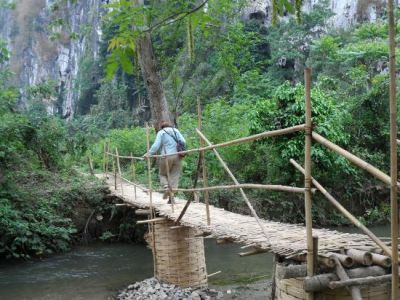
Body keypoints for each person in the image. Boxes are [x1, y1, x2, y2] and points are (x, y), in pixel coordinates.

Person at [144, 120, 186, 203]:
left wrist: (148, 153)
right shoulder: (175, 130)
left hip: (166, 156)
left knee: (162, 174)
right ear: (169, 125)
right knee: (174, 176)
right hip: (178, 156)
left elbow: (156, 145)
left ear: (162, 127)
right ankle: (171, 198)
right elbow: (183, 141)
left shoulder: (161, 132)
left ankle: (166, 187)